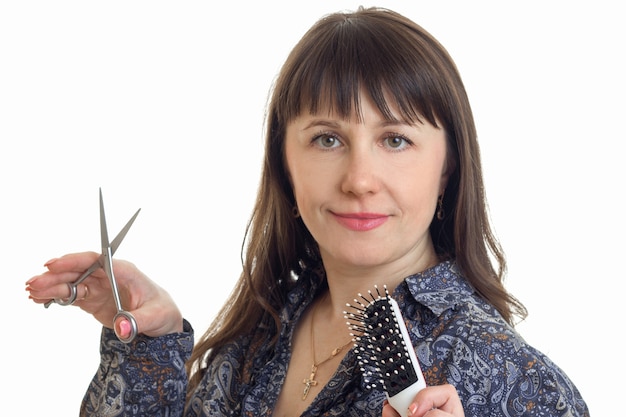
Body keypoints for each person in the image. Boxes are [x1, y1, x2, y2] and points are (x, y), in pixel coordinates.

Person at [25, 6, 589, 417]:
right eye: (326, 139)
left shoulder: (512, 380)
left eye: (395, 140)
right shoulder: (258, 338)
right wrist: (154, 345)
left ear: (448, 167)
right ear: (285, 163)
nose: (359, 180)